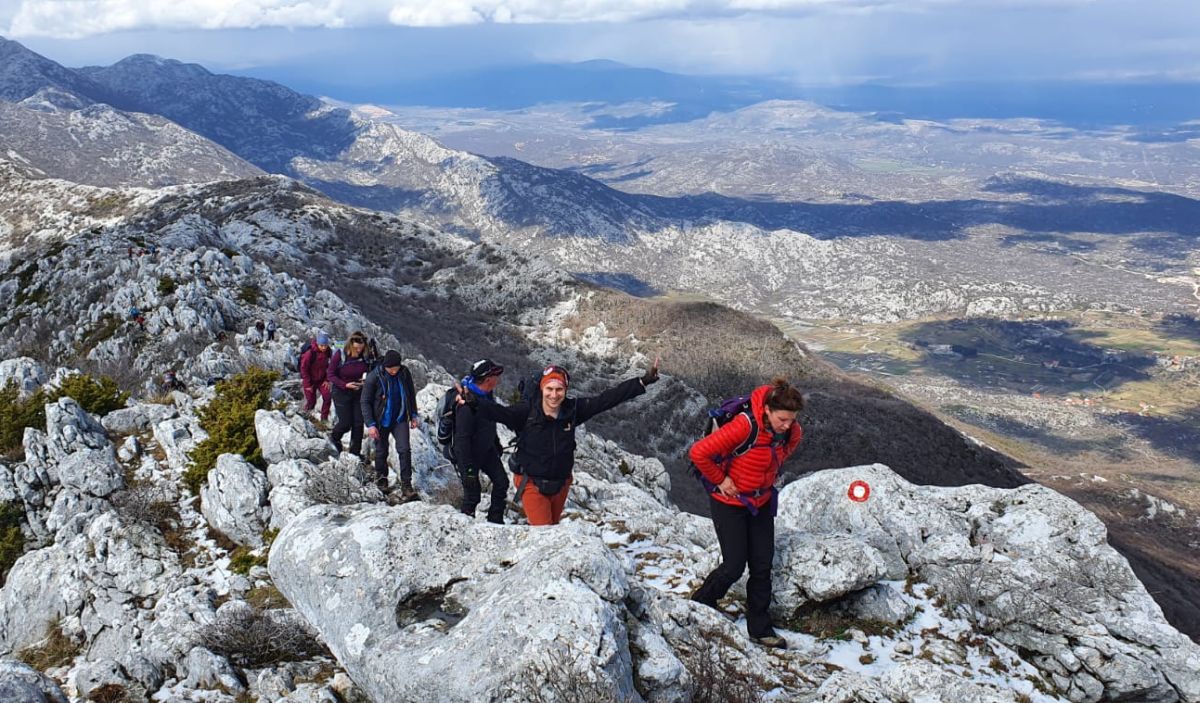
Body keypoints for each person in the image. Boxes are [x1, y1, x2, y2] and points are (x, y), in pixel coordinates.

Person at [461, 358, 659, 526]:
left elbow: (607, 399)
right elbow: (499, 413)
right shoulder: (526, 413)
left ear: (565, 389)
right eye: (549, 389)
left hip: (561, 484)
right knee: (544, 536)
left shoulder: (572, 410)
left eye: (559, 389)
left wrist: (642, 382)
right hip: (532, 483)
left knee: (554, 529)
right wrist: (474, 402)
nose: (554, 395)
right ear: (542, 388)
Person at [688, 378, 804, 650]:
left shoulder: (791, 432)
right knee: (734, 565)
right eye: (782, 419)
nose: (787, 425)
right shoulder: (745, 425)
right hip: (728, 502)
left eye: (791, 419)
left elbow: (783, 453)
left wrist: (761, 479)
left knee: (762, 565)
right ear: (767, 410)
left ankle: (760, 629)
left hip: (761, 502)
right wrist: (721, 480)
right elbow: (698, 452)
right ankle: (700, 604)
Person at [452, 359, 508, 523]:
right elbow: (462, 440)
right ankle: (464, 527)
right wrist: (469, 470)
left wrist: (495, 442)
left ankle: (495, 520)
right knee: (472, 495)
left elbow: (488, 422)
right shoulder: (466, 405)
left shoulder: (486, 395)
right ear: (488, 379)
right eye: (495, 375)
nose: (498, 378)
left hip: (487, 449)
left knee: (501, 482)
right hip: (468, 455)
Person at [362, 350, 419, 499]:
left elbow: (410, 394)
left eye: (396, 368)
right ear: (385, 366)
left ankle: (406, 485)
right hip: (381, 420)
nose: (393, 371)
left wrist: (413, 414)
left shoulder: (404, 373)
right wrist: (371, 424)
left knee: (404, 450)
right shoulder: (374, 377)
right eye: (390, 369)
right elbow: (365, 401)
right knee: (381, 451)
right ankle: (382, 481)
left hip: (400, 418)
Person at [328, 331, 371, 458]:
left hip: (358, 392)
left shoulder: (365, 356)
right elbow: (330, 374)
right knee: (346, 423)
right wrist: (344, 385)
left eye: (361, 347)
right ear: (351, 344)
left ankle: (355, 454)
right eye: (356, 347)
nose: (359, 350)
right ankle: (334, 438)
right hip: (341, 392)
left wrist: (365, 380)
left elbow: (369, 370)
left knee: (358, 423)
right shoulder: (340, 355)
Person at [300, 333, 333, 422]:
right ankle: (306, 414)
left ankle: (324, 418)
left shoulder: (328, 352)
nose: (323, 348)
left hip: (321, 380)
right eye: (321, 345)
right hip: (310, 381)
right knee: (311, 401)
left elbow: (330, 367)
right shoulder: (310, 353)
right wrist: (308, 385)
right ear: (317, 344)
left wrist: (327, 380)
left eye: (325, 345)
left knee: (327, 397)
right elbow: (304, 369)